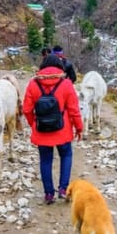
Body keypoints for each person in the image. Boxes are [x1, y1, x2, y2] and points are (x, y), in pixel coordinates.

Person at [23, 54, 83, 204]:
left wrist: (33, 124)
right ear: (60, 67)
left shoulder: (33, 84)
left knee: (45, 160)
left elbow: (26, 110)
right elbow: (74, 110)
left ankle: (49, 194)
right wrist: (79, 128)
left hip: (42, 130)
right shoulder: (66, 84)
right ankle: (64, 189)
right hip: (62, 130)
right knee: (66, 155)